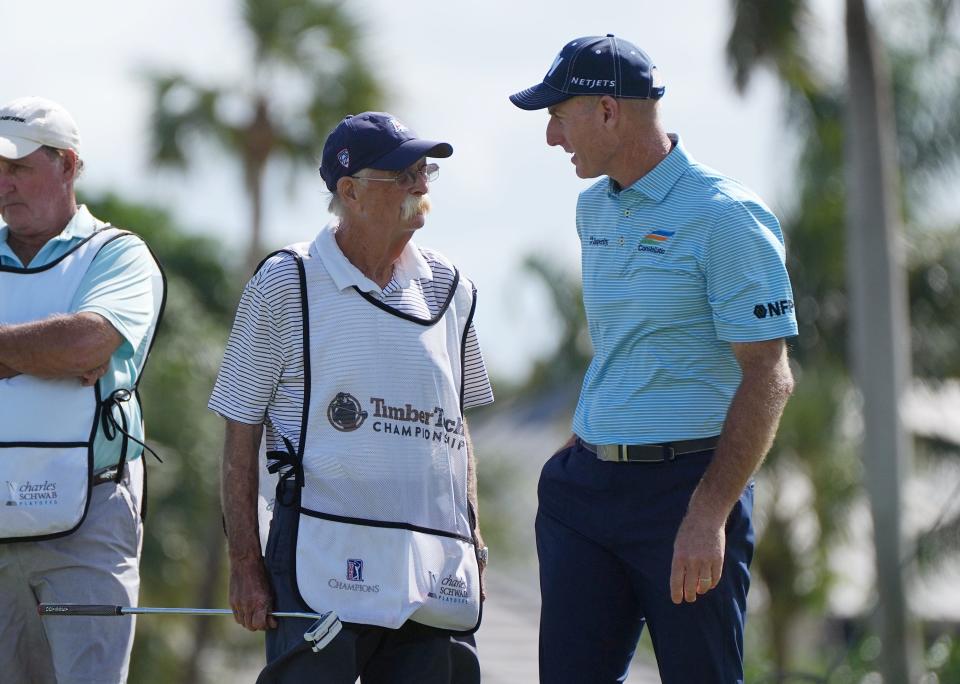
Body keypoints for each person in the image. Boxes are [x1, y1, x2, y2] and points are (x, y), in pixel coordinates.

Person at [509, 35, 798, 683]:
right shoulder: (592, 209)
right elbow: (627, 346)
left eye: (559, 116)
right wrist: (582, 446)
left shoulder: (726, 216)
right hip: (583, 489)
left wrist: (708, 513)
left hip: (685, 495)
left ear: (607, 110)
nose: (553, 137)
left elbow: (769, 375)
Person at [209, 111, 494, 683]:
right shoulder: (285, 280)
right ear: (351, 191)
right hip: (321, 554)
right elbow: (240, 431)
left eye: (424, 171)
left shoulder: (454, 288)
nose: (421, 186)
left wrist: (476, 543)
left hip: (432, 558)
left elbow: (454, 430)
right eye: (403, 174)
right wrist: (245, 562)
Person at [0, 96, 166, 684]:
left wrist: (67, 349)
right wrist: (38, 350)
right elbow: (67, 348)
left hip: (90, 514)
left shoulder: (117, 253)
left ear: (68, 165)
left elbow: (85, 346)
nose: (4, 182)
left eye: (18, 166)